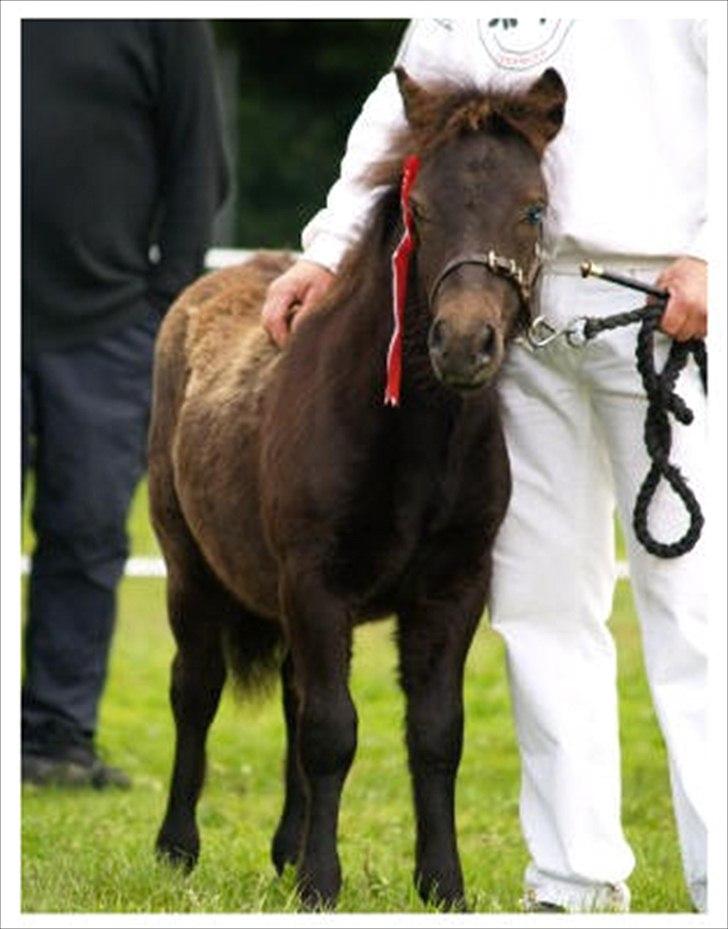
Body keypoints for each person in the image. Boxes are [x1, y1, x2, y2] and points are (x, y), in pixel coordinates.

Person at [260, 19, 708, 913]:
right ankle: (573, 880)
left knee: (695, 605)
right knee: (540, 601)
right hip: (511, 300)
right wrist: (325, 245)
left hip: (665, 299)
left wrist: (713, 248)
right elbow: (398, 110)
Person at [22, 20, 228, 788]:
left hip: (105, 330)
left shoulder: (161, 18)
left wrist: (158, 309)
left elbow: (198, 165)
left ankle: (53, 741)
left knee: (84, 535)